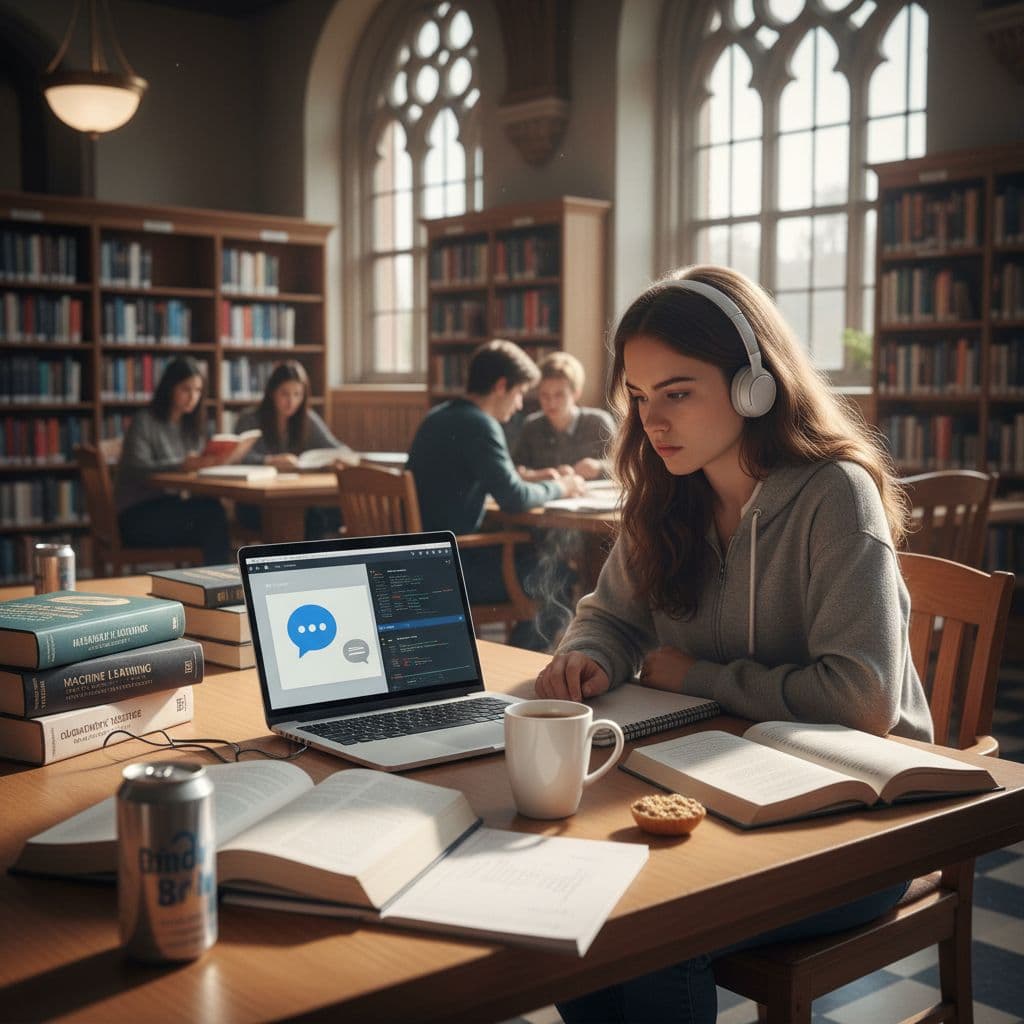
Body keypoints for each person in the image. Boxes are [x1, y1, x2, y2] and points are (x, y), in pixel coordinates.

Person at [533, 265, 933, 1024]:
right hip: (729, 788)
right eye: (639, 397)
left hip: (864, 819)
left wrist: (698, 676)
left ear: (755, 386)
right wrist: (589, 654)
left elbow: (863, 698)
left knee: (661, 930)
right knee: (579, 899)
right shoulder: (665, 490)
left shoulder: (834, 493)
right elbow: (611, 617)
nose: (653, 422)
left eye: (677, 393)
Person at [407, 339, 587, 650]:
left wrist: (536, 477)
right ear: (502, 386)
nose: (519, 405)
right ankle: (520, 666)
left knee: (537, 559)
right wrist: (563, 486)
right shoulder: (481, 425)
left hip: (422, 562)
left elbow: (489, 477)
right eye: (519, 393)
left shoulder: (438, 416)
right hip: (455, 567)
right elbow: (514, 498)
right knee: (559, 577)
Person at [116, 355, 232, 566]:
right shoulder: (145, 421)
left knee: (213, 512)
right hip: (137, 515)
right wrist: (182, 464)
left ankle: (210, 578)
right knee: (213, 517)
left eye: (198, 390)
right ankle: (217, 580)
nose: (193, 397)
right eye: (186, 389)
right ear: (170, 388)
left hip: (171, 507)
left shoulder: (191, 426)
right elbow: (136, 468)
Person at [234, 360, 356, 539]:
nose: (291, 401)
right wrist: (269, 461)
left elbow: (339, 449)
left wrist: (337, 460)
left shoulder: (307, 419)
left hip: (298, 500)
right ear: (272, 393)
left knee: (320, 516)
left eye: (297, 394)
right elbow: (237, 457)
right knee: (306, 519)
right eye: (285, 394)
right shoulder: (249, 419)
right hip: (256, 503)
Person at [513, 352, 614, 481]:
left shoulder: (599, 422)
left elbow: (626, 465)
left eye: (559, 395)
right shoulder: (531, 426)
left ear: (576, 393)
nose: (551, 403)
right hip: (549, 492)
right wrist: (541, 475)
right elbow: (515, 470)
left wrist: (600, 467)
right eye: (544, 395)